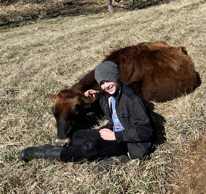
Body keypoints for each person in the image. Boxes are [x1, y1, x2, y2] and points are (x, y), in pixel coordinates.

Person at [19, 61, 156, 172]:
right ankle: (111, 153)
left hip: (128, 142)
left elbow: (147, 131)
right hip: (114, 131)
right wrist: (99, 96)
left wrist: (115, 136)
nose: (106, 85)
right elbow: (113, 113)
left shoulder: (132, 99)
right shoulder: (109, 96)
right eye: (102, 83)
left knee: (88, 147)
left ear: (116, 77)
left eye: (108, 80)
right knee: (77, 136)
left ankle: (43, 152)